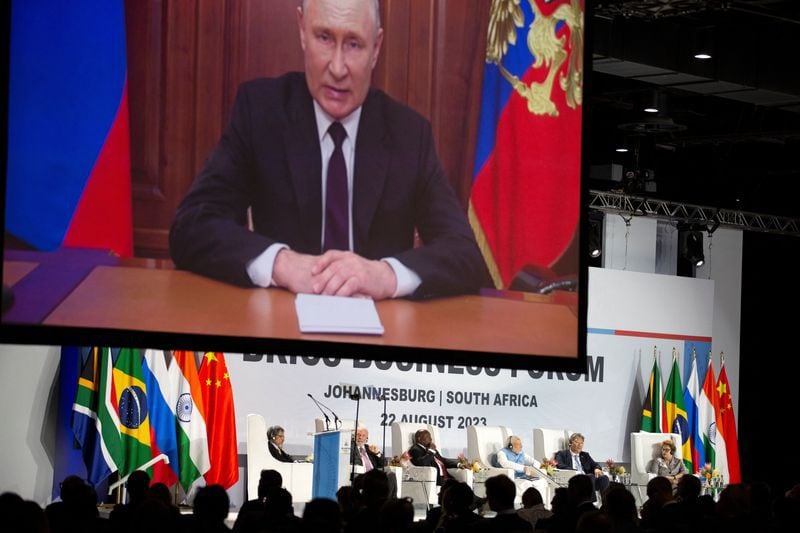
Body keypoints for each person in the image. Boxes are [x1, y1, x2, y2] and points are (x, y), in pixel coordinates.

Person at [169, 0, 489, 301]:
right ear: (301, 30)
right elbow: (191, 226)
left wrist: (384, 275)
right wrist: (282, 263)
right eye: (324, 37)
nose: (338, 68)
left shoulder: (409, 134)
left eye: (353, 44)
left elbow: (464, 254)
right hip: (282, 330)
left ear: (376, 48)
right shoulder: (260, 113)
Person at [554, 432, 609, 501]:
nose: (580, 445)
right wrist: (576, 471)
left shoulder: (585, 455)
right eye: (577, 442)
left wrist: (597, 469)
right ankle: (590, 504)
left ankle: (605, 503)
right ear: (570, 443)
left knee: (604, 478)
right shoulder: (562, 454)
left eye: (582, 443)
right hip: (574, 479)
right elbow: (559, 465)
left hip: (588, 480)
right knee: (590, 477)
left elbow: (595, 464)